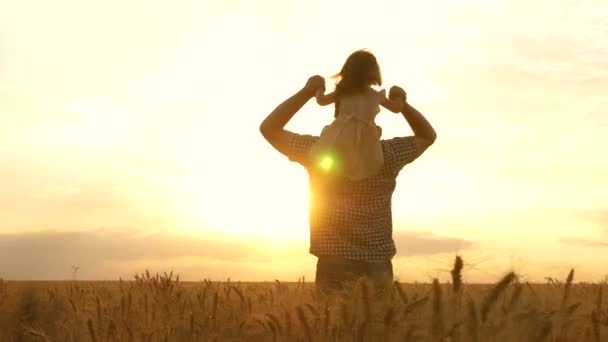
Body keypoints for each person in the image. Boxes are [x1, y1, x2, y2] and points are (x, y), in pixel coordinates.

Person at [259, 54, 437, 294]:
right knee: (377, 329)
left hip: (333, 259)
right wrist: (402, 104)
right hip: (378, 263)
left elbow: (269, 128)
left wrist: (307, 91)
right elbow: (427, 136)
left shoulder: (317, 154)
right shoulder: (388, 155)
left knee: (333, 329)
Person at [312, 50, 405, 181]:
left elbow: (321, 101)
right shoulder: (374, 95)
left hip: (341, 135)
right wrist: (399, 97)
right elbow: (396, 108)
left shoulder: (343, 93)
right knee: (365, 165)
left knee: (334, 160)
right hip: (367, 139)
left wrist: (318, 89)